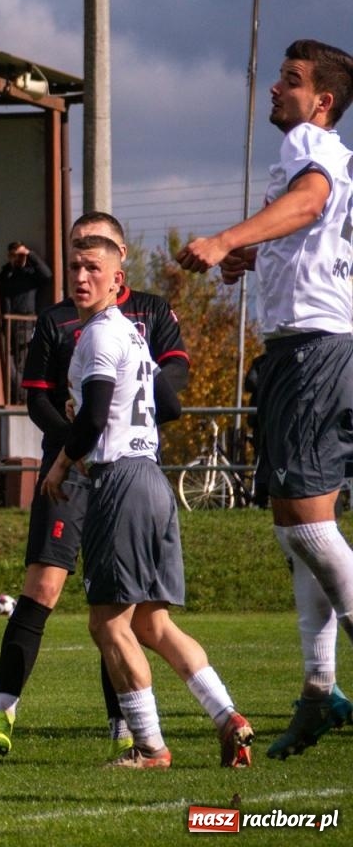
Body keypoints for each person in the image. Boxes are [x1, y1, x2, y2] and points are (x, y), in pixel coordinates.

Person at [178, 38, 353, 758]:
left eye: (292, 81)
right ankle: (319, 691)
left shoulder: (312, 146)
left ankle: (321, 688)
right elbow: (311, 226)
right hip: (307, 349)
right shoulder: (324, 156)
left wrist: (224, 240)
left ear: (323, 103)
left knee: (308, 528)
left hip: (313, 349)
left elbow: (310, 203)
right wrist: (255, 250)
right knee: (295, 528)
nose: (275, 90)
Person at [0, 211, 189, 759]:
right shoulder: (56, 321)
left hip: (124, 471)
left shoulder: (150, 312)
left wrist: (115, 419)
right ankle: (2, 714)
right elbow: (38, 399)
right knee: (42, 589)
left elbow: (173, 390)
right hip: (67, 471)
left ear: (119, 262)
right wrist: (76, 440)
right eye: (74, 253)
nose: (80, 267)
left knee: (115, 600)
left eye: (93, 254)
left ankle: (124, 725)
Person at [40, 234, 253, 769]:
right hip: (153, 479)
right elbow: (171, 405)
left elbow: (90, 420)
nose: (81, 277)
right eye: (74, 268)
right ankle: (228, 716)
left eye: (93, 268)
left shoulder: (97, 337)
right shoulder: (136, 338)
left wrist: (63, 463)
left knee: (107, 624)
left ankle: (151, 746)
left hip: (120, 482)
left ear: (118, 280)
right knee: (151, 625)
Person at [0, 241, 52, 382]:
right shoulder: (5, 274)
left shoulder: (30, 274)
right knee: (6, 363)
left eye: (19, 255)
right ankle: (19, 395)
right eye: (13, 255)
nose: (16, 259)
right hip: (6, 324)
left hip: (24, 324)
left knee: (22, 361)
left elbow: (47, 275)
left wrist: (30, 254)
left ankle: (21, 398)